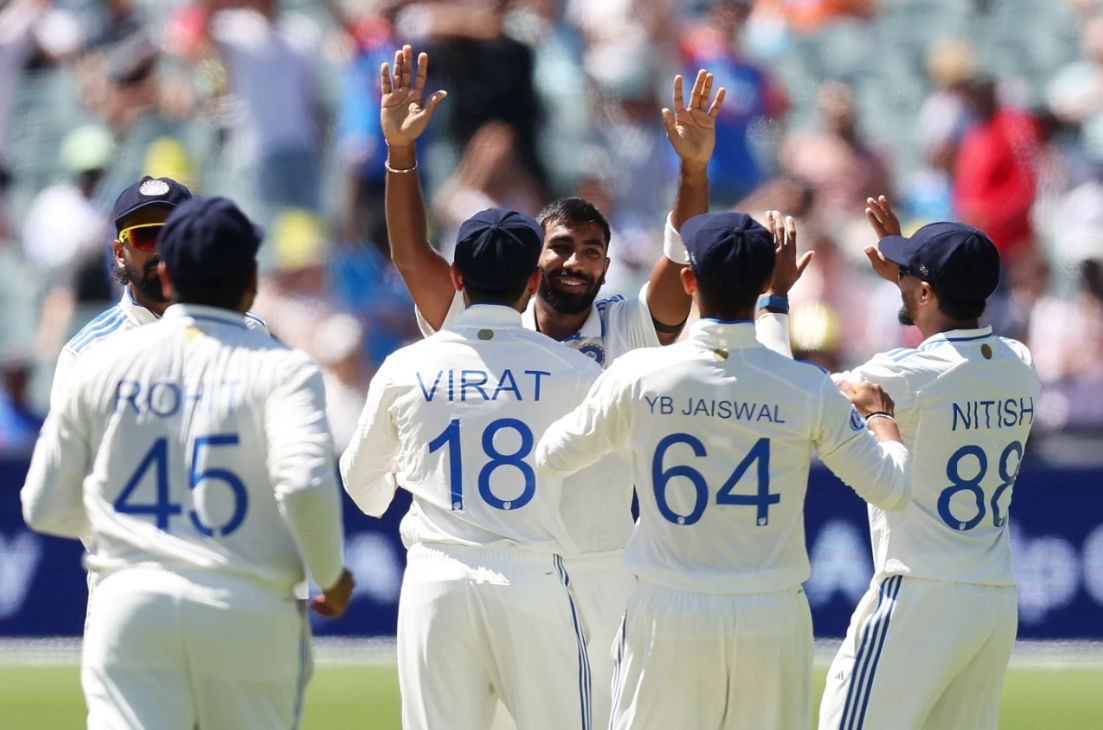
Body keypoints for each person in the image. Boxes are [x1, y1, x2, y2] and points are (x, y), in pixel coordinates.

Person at [380, 46, 798, 727]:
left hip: (601, 566)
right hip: (505, 567)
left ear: (607, 265)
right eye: (561, 248)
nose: (576, 262)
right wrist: (401, 155)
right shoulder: (484, 322)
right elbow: (409, 256)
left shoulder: (625, 325)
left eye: (592, 251)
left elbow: (677, 260)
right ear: (529, 258)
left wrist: (692, 169)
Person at [534, 211, 913, 730]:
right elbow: (891, 490)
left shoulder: (639, 373)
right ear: (761, 282)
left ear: (690, 280)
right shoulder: (807, 388)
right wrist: (882, 421)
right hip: (771, 618)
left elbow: (552, 456)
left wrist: (631, 435)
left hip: (667, 612)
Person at [21, 196, 354, 729]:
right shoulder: (277, 362)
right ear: (250, 276)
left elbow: (43, 507)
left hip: (131, 599)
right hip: (245, 596)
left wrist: (135, 538)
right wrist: (330, 575)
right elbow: (301, 482)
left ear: (170, 272)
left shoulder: (100, 363)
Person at [762, 197, 1042, 730]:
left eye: (911, 275)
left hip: (919, 593)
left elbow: (782, 393)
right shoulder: (1019, 362)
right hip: (994, 600)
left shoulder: (896, 375)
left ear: (928, 290)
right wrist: (910, 285)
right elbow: (951, 356)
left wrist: (774, 301)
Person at [340, 208, 610, 730]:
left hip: (434, 579)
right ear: (534, 280)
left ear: (457, 278)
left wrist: (400, 478)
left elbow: (360, 486)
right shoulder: (577, 371)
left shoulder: (406, 365)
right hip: (532, 576)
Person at [50, 176, 271, 412]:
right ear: (119, 253)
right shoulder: (86, 354)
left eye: (172, 236)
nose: (160, 249)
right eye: (143, 236)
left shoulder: (247, 331)